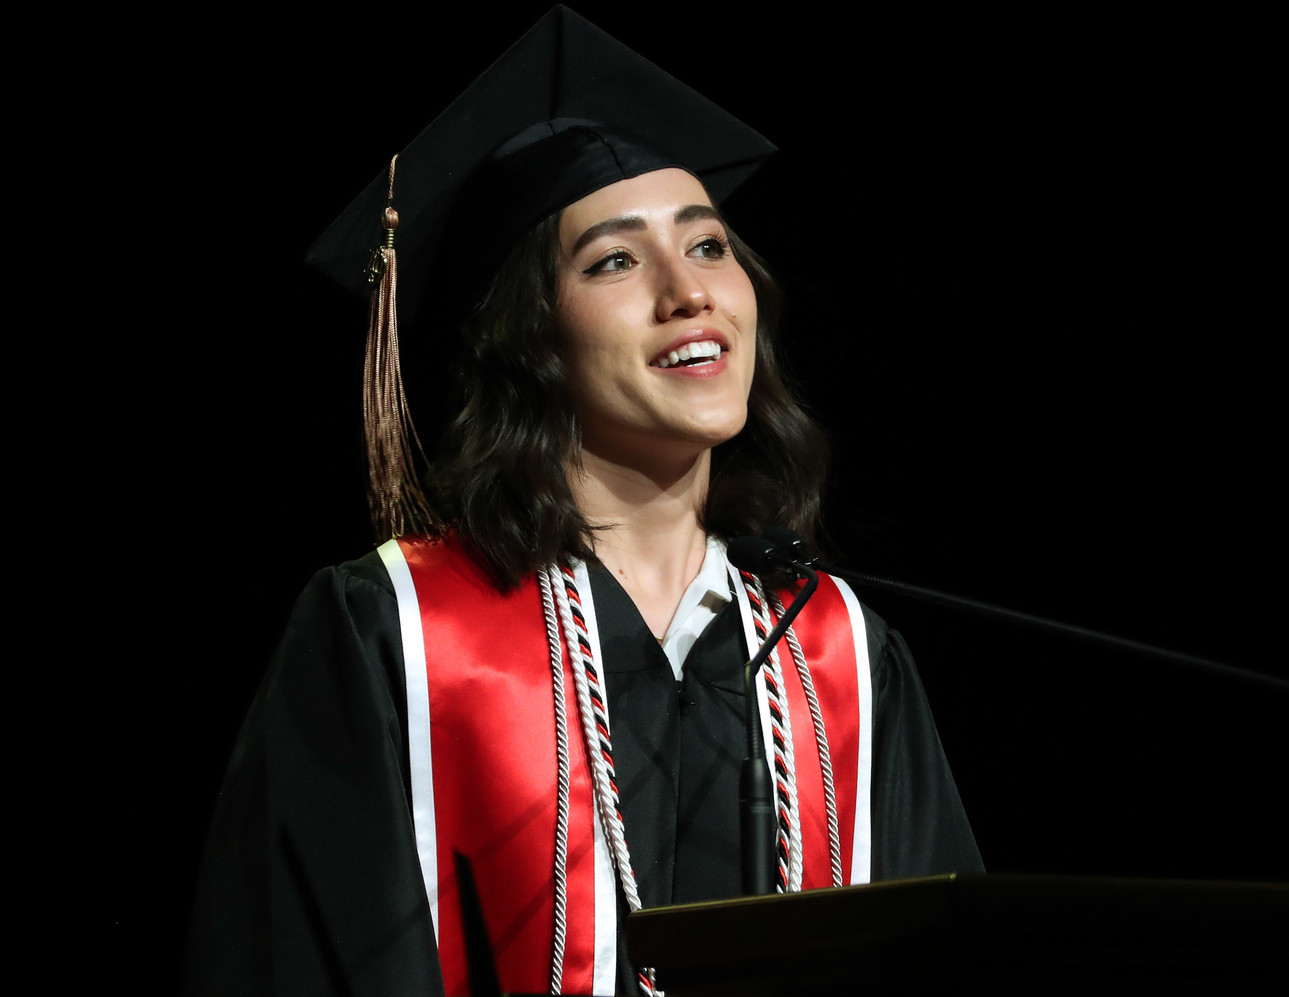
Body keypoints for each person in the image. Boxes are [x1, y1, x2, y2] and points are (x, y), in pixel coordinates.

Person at [184, 7, 981, 996]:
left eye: (707, 246)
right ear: (528, 339)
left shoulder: (840, 656)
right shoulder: (399, 634)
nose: (687, 291)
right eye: (612, 259)